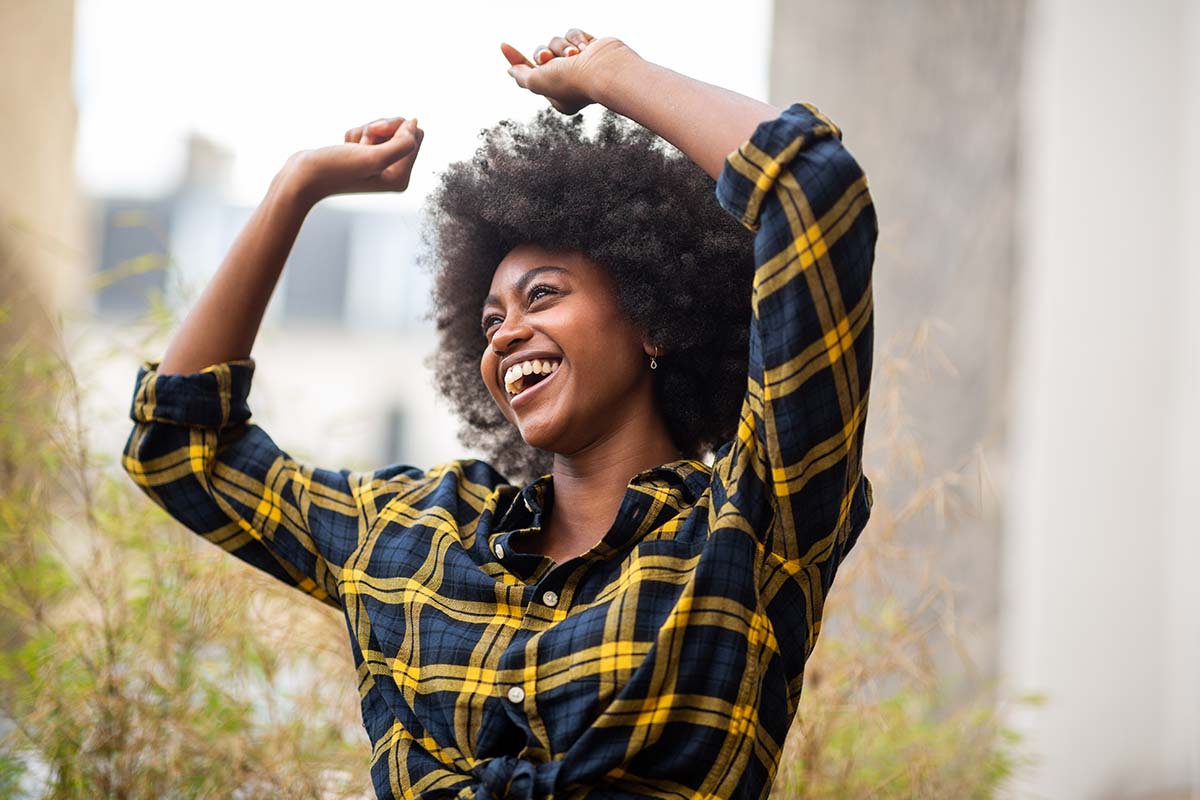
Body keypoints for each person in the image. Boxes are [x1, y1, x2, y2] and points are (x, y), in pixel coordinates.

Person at [120, 27, 877, 800]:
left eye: (543, 294)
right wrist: (297, 186)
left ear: (655, 319)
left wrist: (615, 74)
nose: (507, 332)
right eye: (488, 322)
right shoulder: (413, 535)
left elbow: (814, 193)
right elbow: (180, 447)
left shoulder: (751, 525)